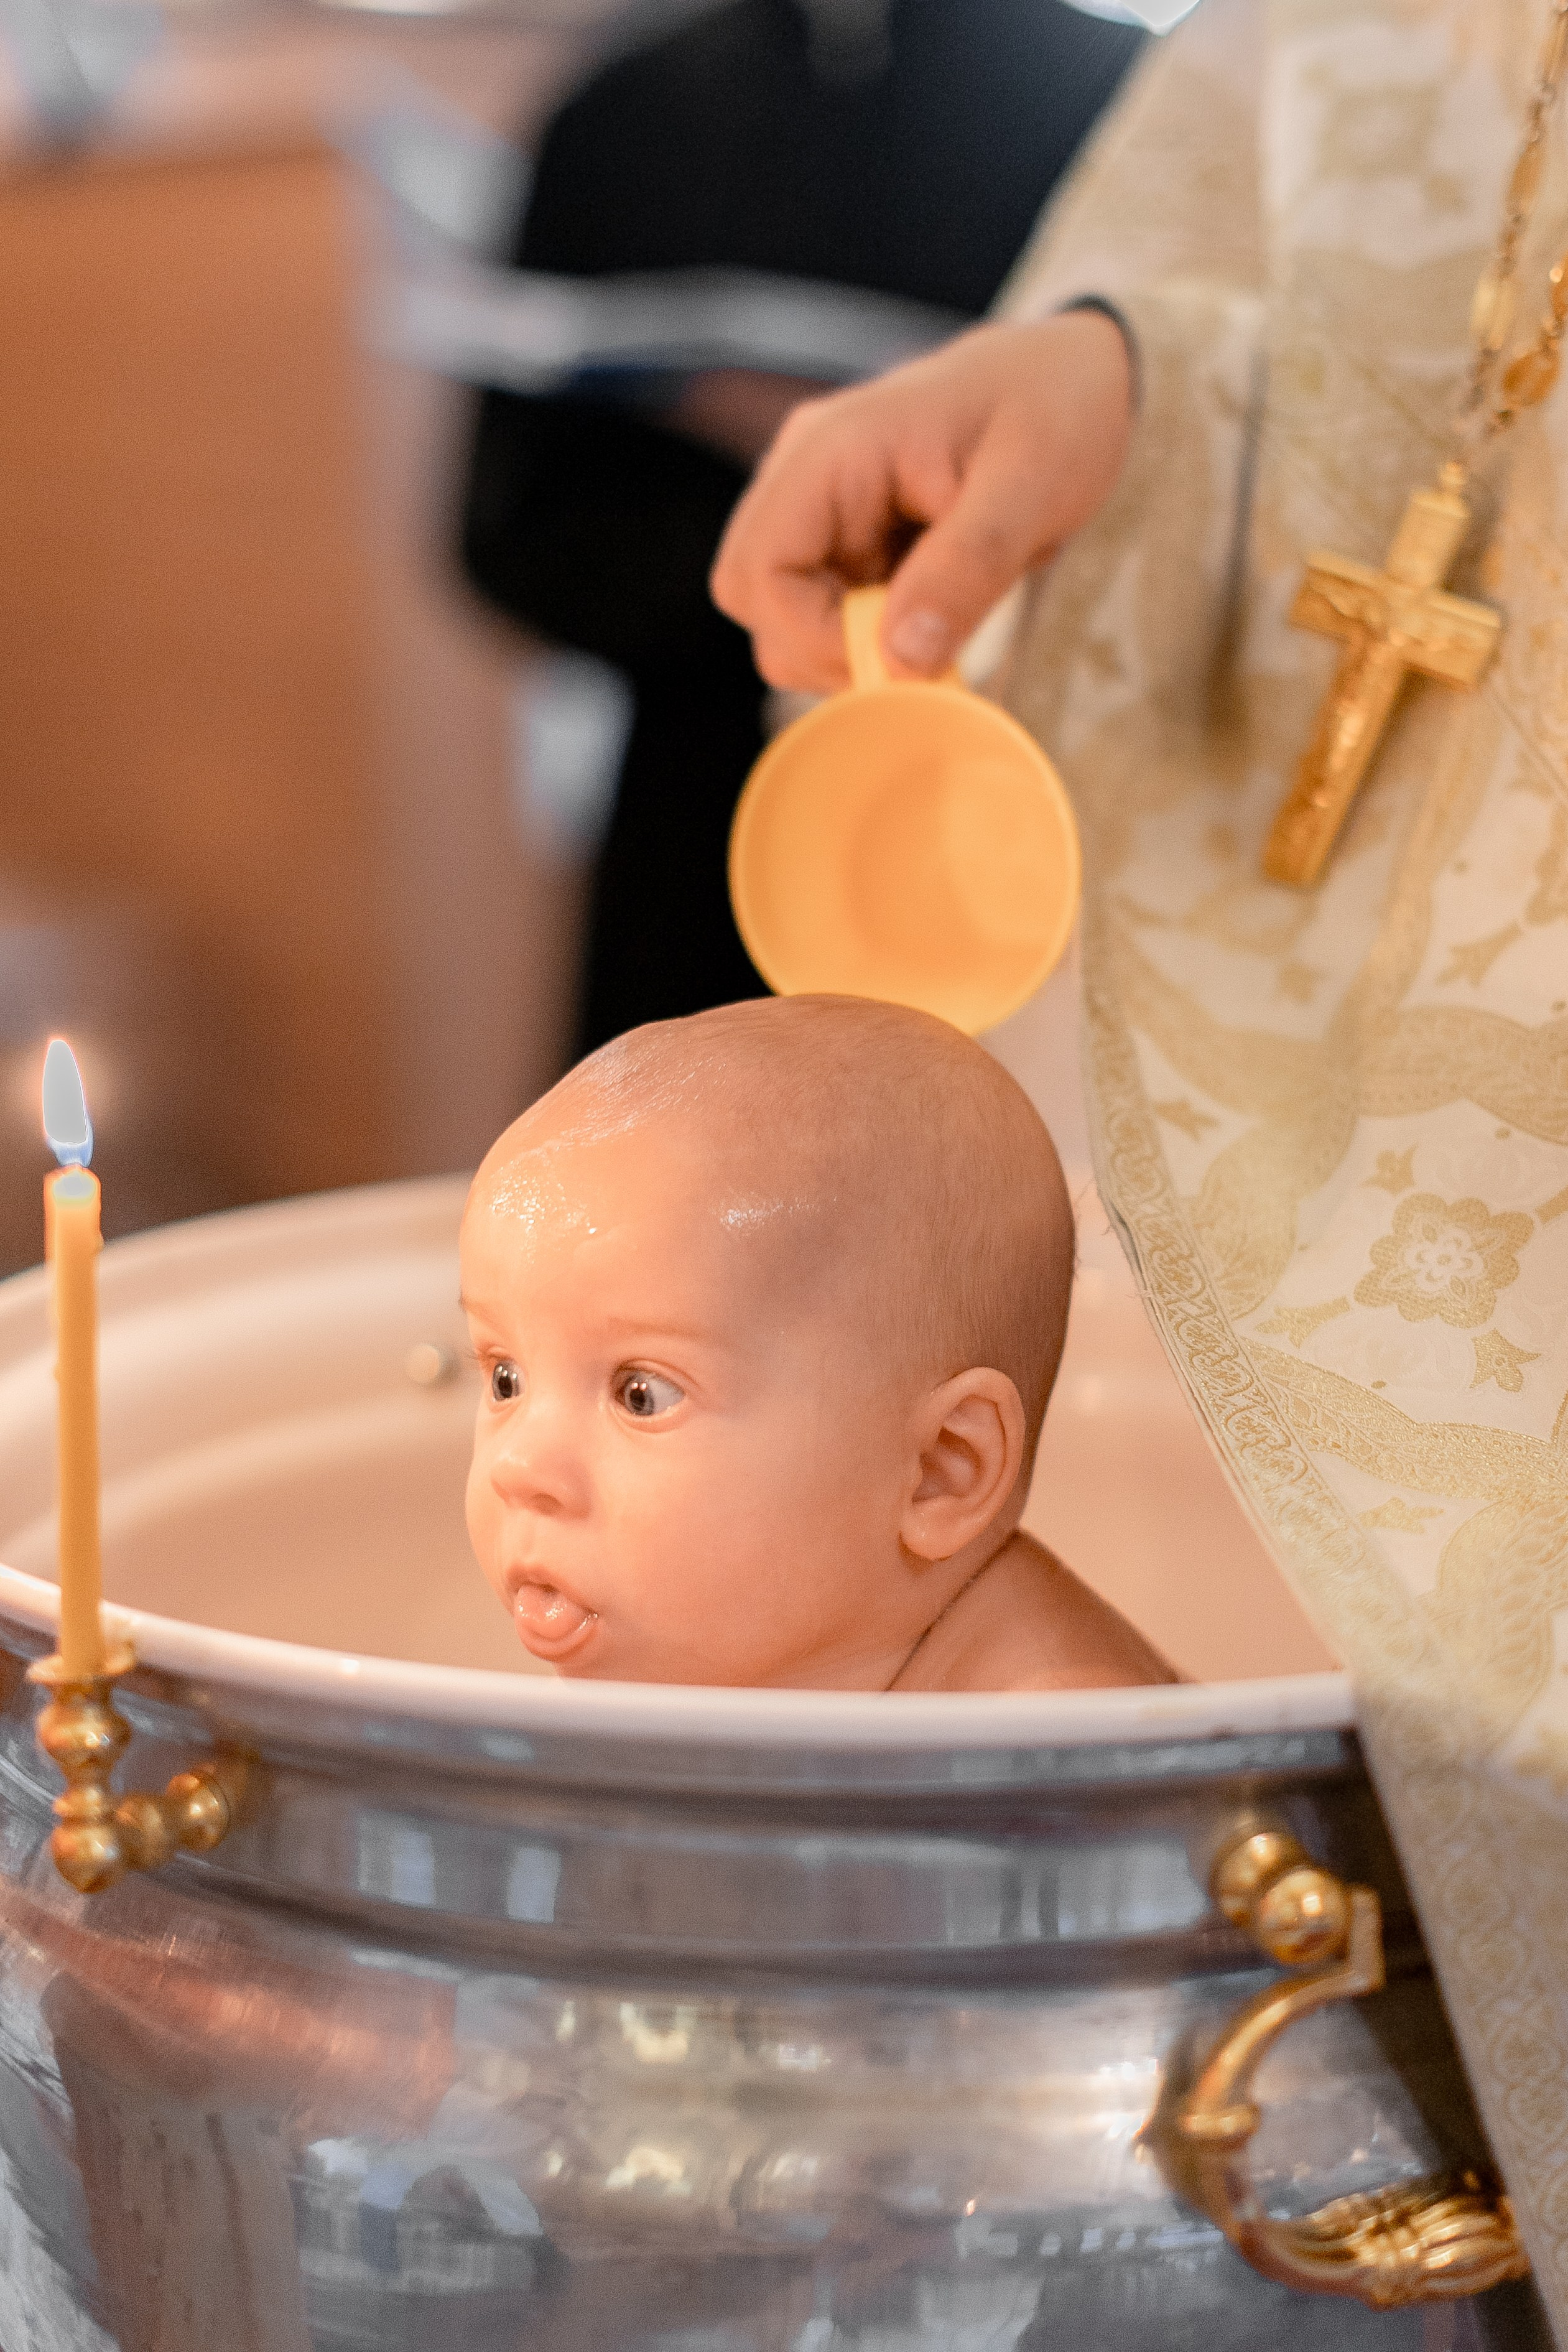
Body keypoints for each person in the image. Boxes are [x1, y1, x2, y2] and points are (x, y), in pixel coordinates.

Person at [459, 0, 1144, 1051]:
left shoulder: (1126, 98)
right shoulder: (619, 111)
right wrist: (780, 555)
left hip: (1029, 819)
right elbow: (506, 526)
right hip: (701, 816)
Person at [460, 993, 1175, 1691]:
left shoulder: (1050, 1743)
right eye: (504, 1379)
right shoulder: (737, 1659)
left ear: (938, 1471)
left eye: (640, 1394)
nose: (520, 1466)